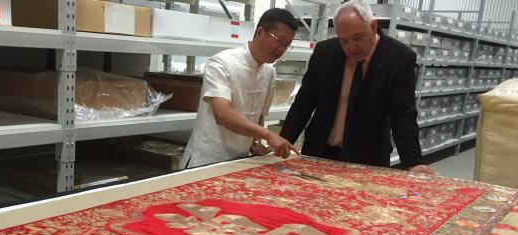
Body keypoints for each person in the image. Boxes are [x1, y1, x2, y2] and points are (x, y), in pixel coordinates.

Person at [281, 0, 435, 174]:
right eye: (344, 41)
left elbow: (403, 115)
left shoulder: (398, 58)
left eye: (357, 38)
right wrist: (282, 141)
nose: (351, 48)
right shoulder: (325, 52)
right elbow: (304, 102)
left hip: (368, 158)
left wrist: (412, 162)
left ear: (373, 26)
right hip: (319, 152)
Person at [179, 8, 300, 169]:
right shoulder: (221, 63)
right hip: (207, 159)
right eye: (279, 40)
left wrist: (257, 143)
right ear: (260, 32)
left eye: (287, 45)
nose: (282, 49)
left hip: (241, 159)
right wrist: (268, 135)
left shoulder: (269, 72)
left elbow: (259, 116)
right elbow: (222, 114)